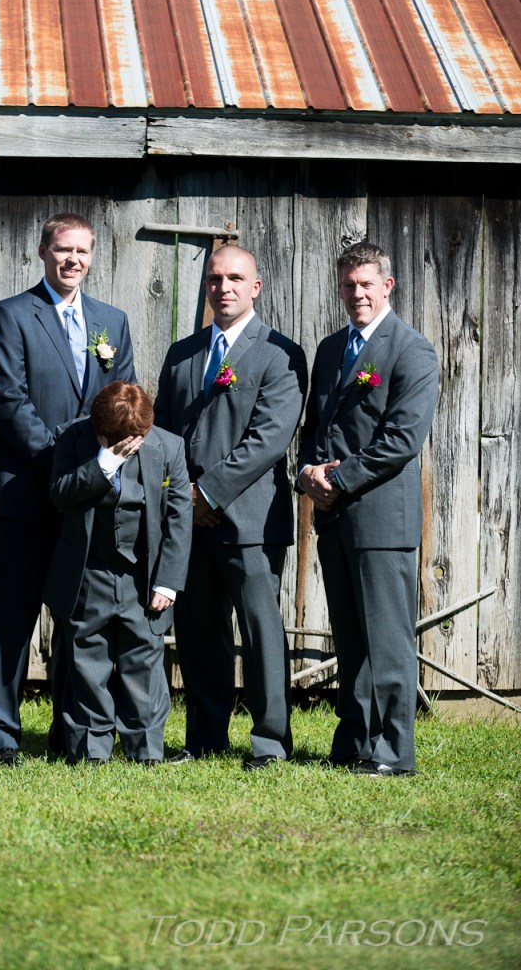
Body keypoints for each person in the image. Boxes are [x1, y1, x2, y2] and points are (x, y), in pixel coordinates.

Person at [0, 213, 136, 764]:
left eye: (82, 251)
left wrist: (92, 475)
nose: (73, 260)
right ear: (43, 252)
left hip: (86, 498)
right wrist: (63, 468)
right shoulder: (12, 315)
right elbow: (9, 402)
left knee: (78, 617)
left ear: (92, 256)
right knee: (10, 613)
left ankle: (73, 734)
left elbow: (122, 399)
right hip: (28, 489)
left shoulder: (111, 321)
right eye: (63, 249)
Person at [154, 245, 306, 770]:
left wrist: (206, 494)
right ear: (206, 287)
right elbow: (163, 434)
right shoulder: (182, 354)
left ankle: (270, 741)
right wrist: (181, 498)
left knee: (261, 632)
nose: (225, 288)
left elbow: (268, 440)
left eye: (236, 279)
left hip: (251, 522)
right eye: (216, 279)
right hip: (189, 522)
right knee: (199, 632)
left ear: (255, 287)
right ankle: (204, 739)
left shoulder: (280, 354)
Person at [298, 240, 438, 777]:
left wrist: (338, 478)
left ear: (387, 286)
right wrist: (307, 472)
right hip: (333, 517)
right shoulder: (332, 349)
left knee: (388, 640)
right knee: (352, 640)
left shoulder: (411, 350)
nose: (357, 293)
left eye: (366, 284)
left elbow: (402, 439)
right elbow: (317, 426)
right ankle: (355, 741)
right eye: (348, 285)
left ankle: (394, 751)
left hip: (381, 519)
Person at [43, 382, 192, 764]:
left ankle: (145, 749)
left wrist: (168, 581)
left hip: (142, 576)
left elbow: (178, 519)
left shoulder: (169, 447)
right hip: (88, 571)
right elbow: (60, 493)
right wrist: (103, 464)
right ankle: (90, 749)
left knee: (144, 663)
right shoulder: (72, 437)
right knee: (87, 662)